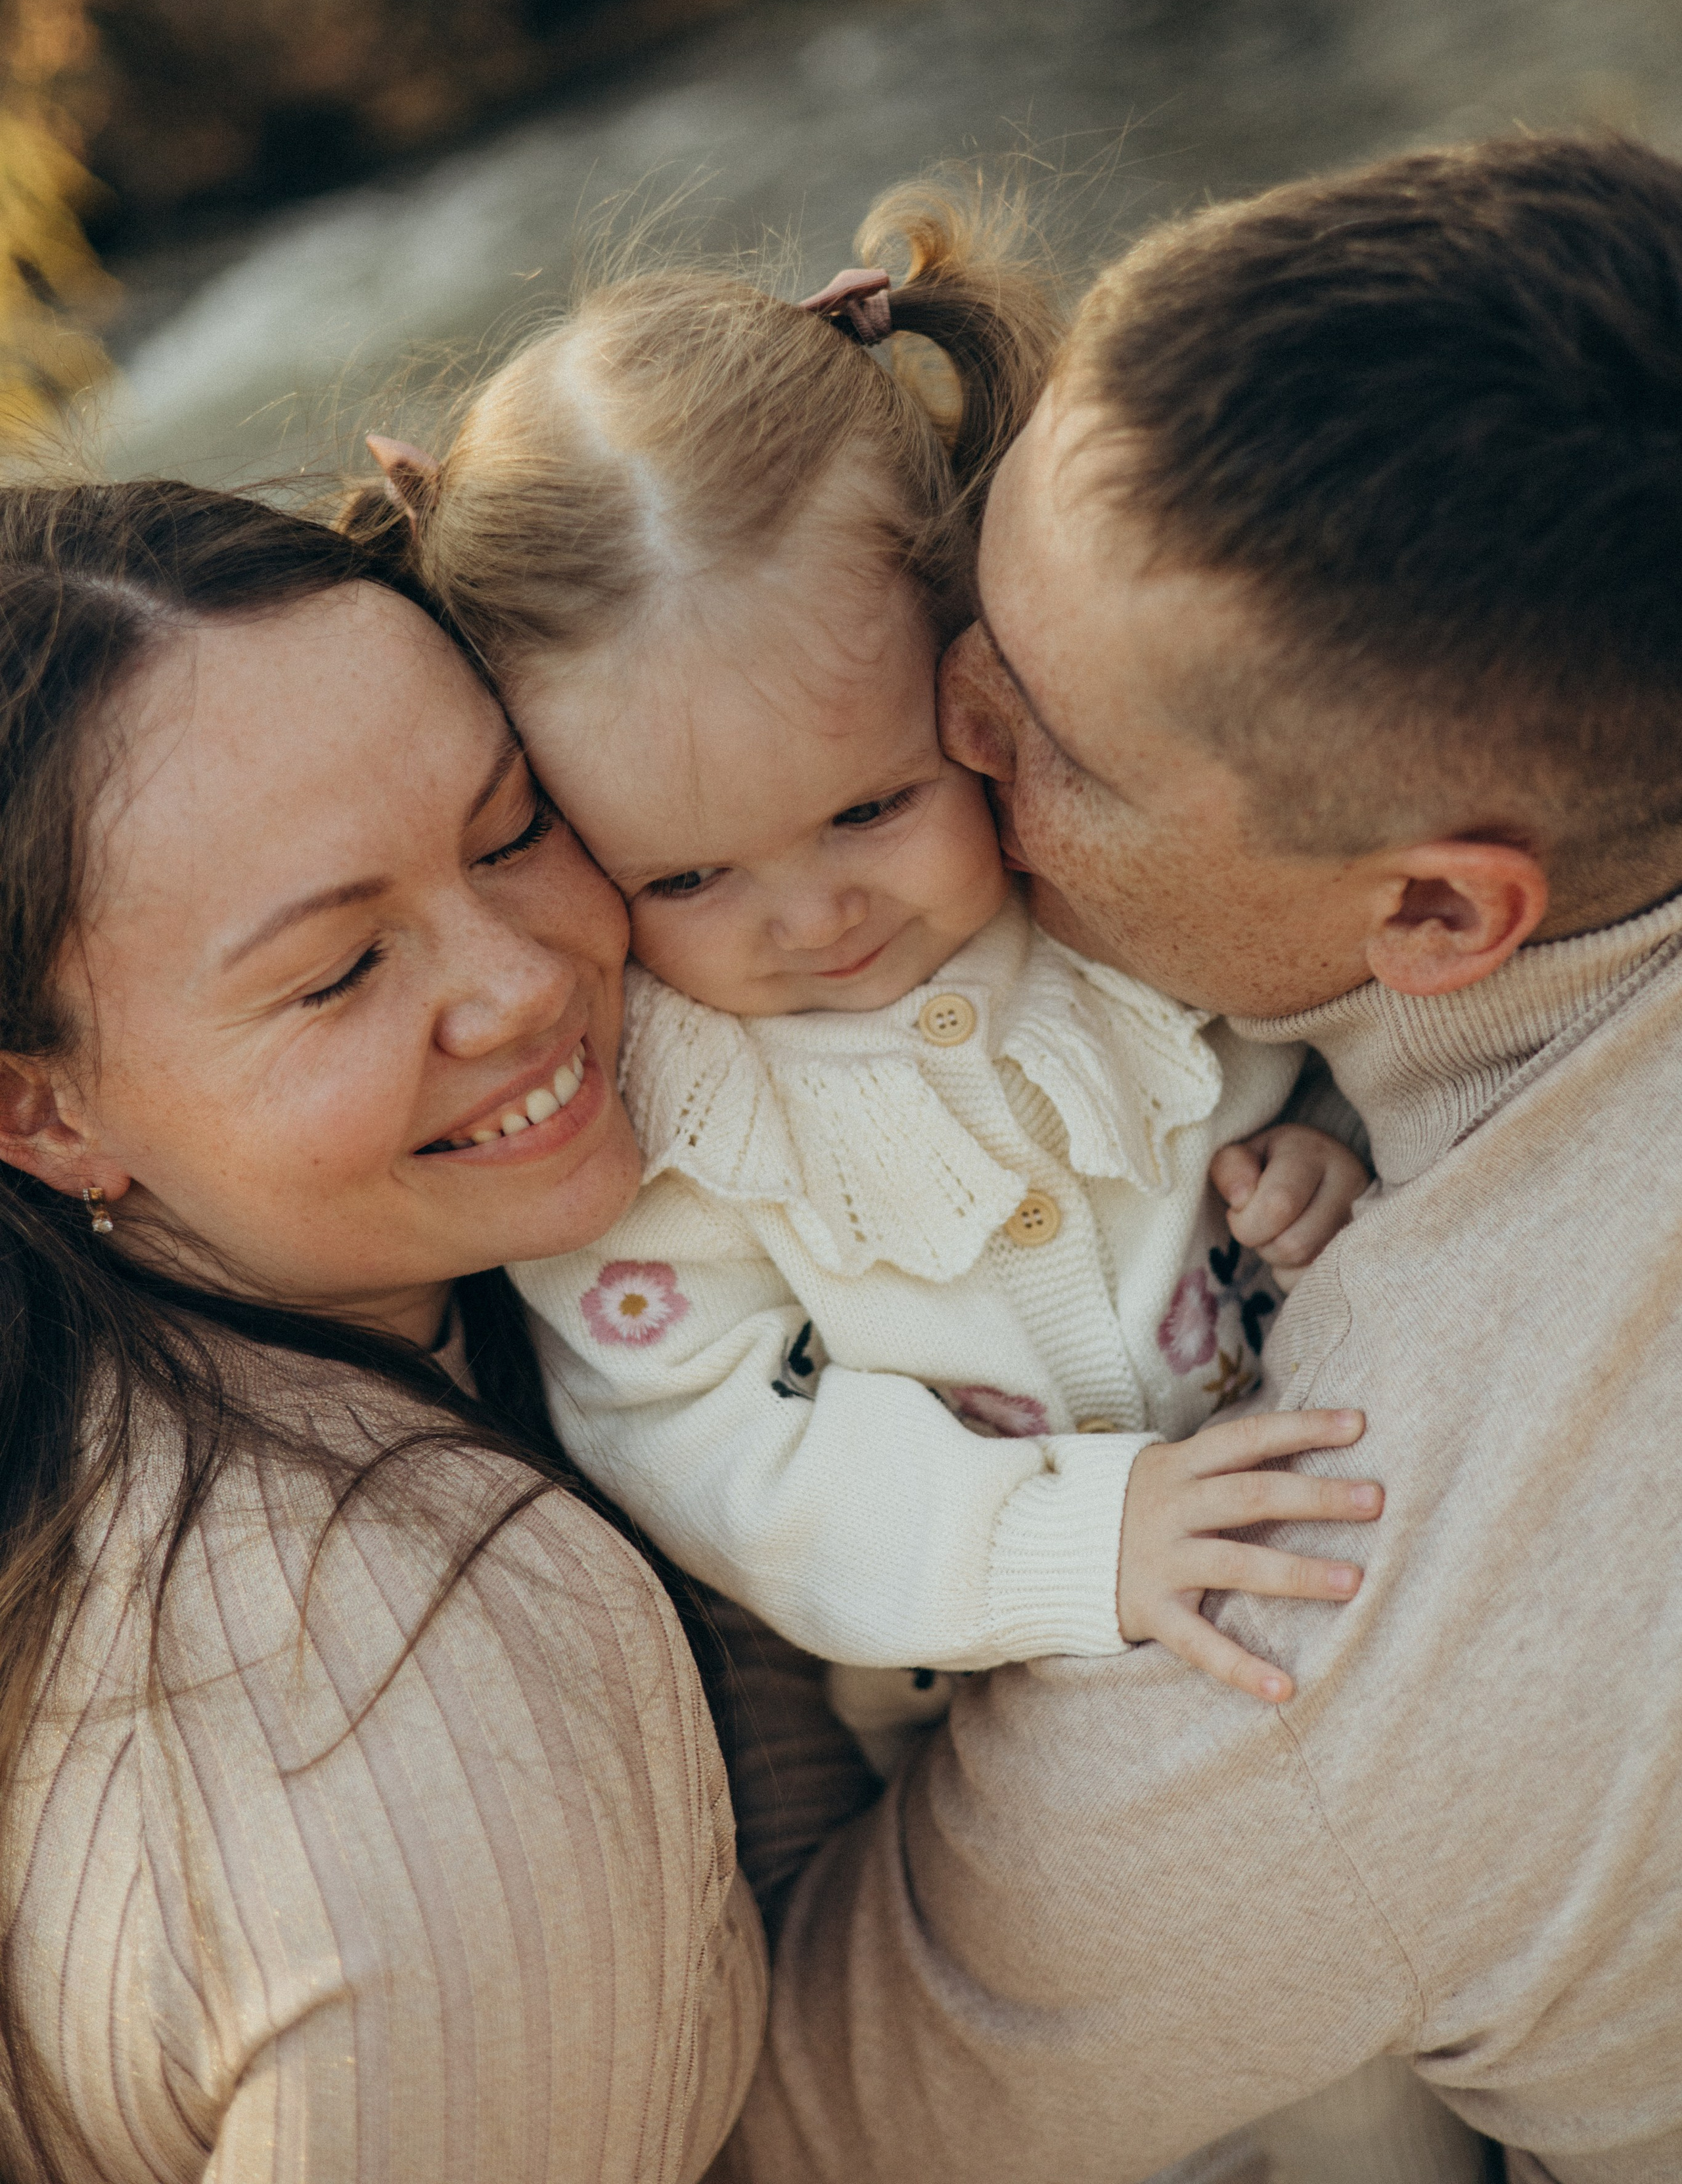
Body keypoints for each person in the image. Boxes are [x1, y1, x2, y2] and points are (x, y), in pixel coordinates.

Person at [708, 131, 1682, 2183]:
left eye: (1052, 736)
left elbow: (798, 2123)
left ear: (1437, 919)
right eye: (975, 588)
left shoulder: (1332, 1599)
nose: (935, 715)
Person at [370, 197, 1376, 1779]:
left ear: (973, 669)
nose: (814, 919)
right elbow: (719, 1451)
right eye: (683, 879)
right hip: (1001, 1703)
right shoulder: (657, 1130)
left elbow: (1293, 1038)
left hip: (1308, 1526)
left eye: (868, 809)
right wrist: (1075, 1539)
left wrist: (1321, 1147)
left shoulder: (1108, 898)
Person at [0, 481, 764, 2183]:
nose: (519, 982)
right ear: (45, 1118)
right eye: (342, 970)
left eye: (509, 832)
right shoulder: (416, 1699)